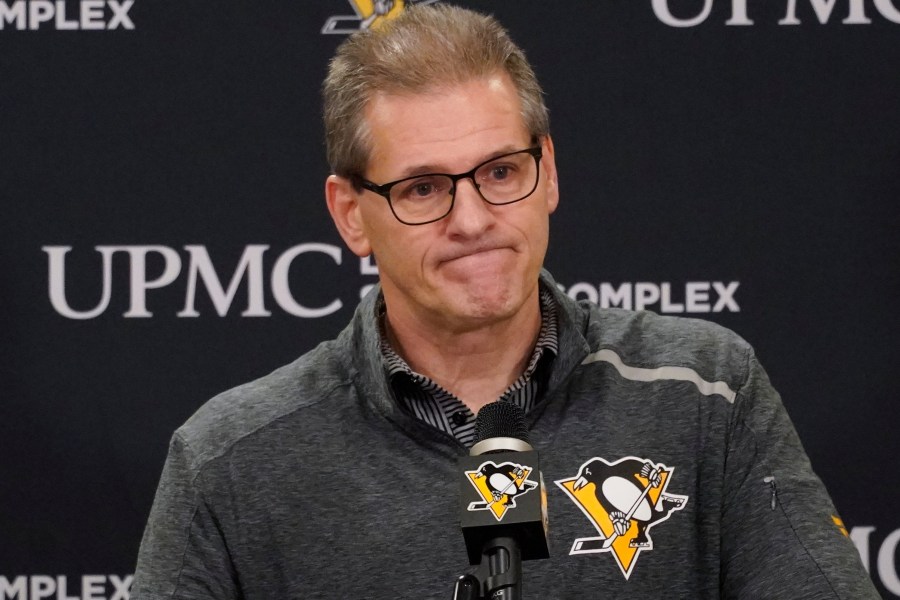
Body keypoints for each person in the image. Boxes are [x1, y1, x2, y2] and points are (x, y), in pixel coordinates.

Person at [132, 4, 878, 598]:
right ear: (351, 214)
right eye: (423, 188)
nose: (473, 219)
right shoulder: (228, 460)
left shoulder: (707, 390)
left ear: (547, 172)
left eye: (499, 171)